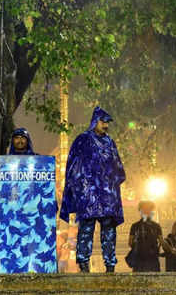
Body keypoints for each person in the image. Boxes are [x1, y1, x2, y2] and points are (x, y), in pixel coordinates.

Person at [60, 107, 125, 273]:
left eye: (107, 123)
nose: (106, 126)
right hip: (88, 193)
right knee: (86, 228)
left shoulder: (110, 142)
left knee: (109, 229)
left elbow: (117, 166)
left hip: (107, 194)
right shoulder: (83, 140)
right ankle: (83, 264)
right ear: (95, 121)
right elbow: (73, 165)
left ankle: (110, 264)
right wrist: (79, 187)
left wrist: (113, 184)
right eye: (103, 122)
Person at [128, 201, 163, 272]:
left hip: (139, 259)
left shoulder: (135, 226)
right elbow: (161, 241)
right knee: (154, 280)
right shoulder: (156, 226)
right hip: (153, 259)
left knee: (139, 280)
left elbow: (130, 242)